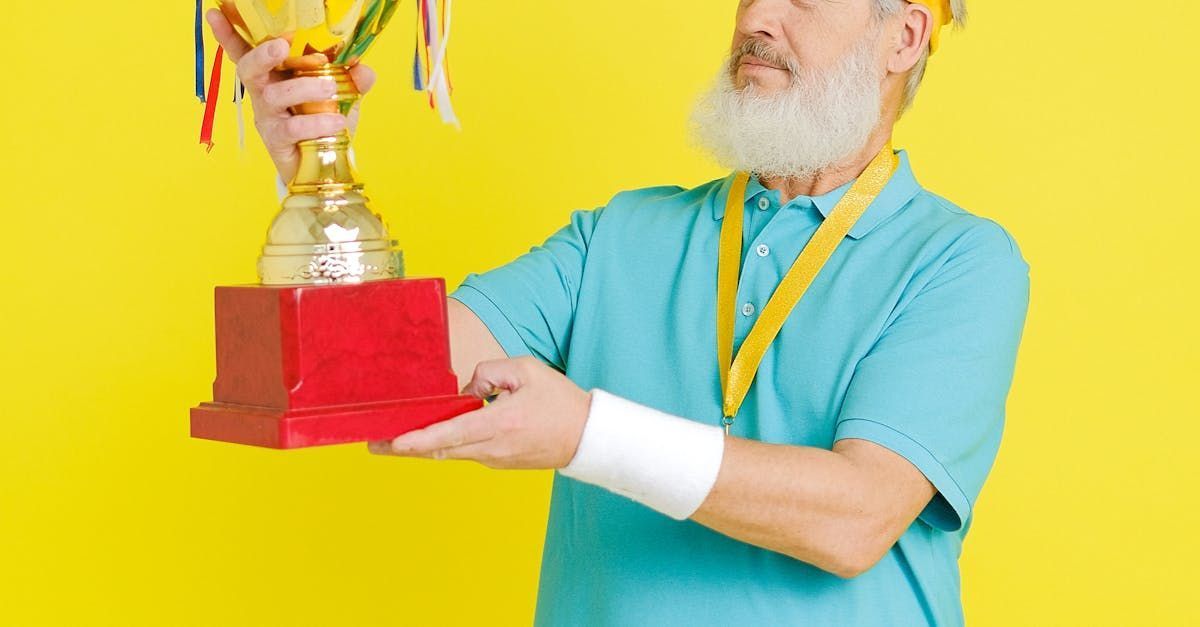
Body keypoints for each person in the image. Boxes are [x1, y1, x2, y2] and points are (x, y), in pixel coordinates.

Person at [207, 0, 1029, 624]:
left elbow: (857, 517)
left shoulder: (959, 261)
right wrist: (314, 170)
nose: (756, 18)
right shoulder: (619, 235)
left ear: (907, 37)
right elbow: (384, 373)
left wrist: (584, 434)